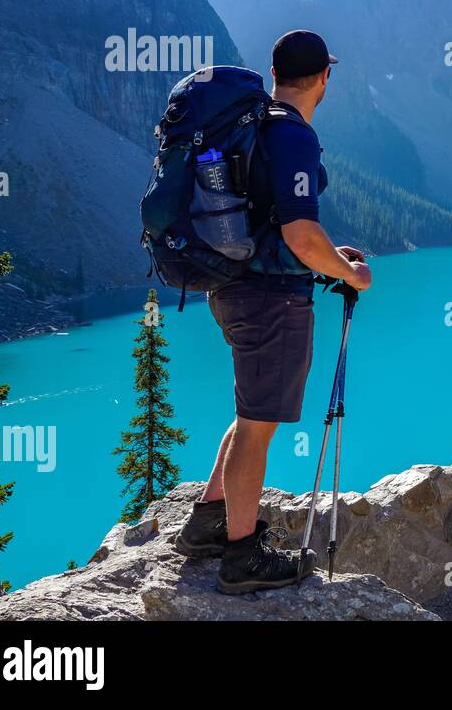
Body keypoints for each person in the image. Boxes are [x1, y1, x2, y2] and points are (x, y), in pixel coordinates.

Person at [172, 30, 372, 594]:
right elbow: (302, 236)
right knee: (258, 428)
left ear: (276, 70)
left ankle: (208, 522)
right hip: (271, 301)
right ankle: (242, 558)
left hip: (231, 289)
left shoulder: (255, 124)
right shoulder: (293, 136)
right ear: (324, 79)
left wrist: (329, 258)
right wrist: (349, 272)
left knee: (249, 415)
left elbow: (270, 227)